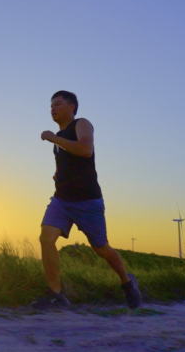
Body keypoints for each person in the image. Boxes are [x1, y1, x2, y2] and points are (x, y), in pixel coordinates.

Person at [31, 90, 142, 310]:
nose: (53, 108)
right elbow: (68, 163)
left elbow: (85, 150)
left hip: (87, 201)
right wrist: (58, 176)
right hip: (62, 200)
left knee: (101, 249)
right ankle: (55, 294)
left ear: (71, 107)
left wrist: (52, 137)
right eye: (51, 105)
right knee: (46, 238)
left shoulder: (81, 124)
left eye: (58, 104)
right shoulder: (60, 138)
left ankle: (127, 282)